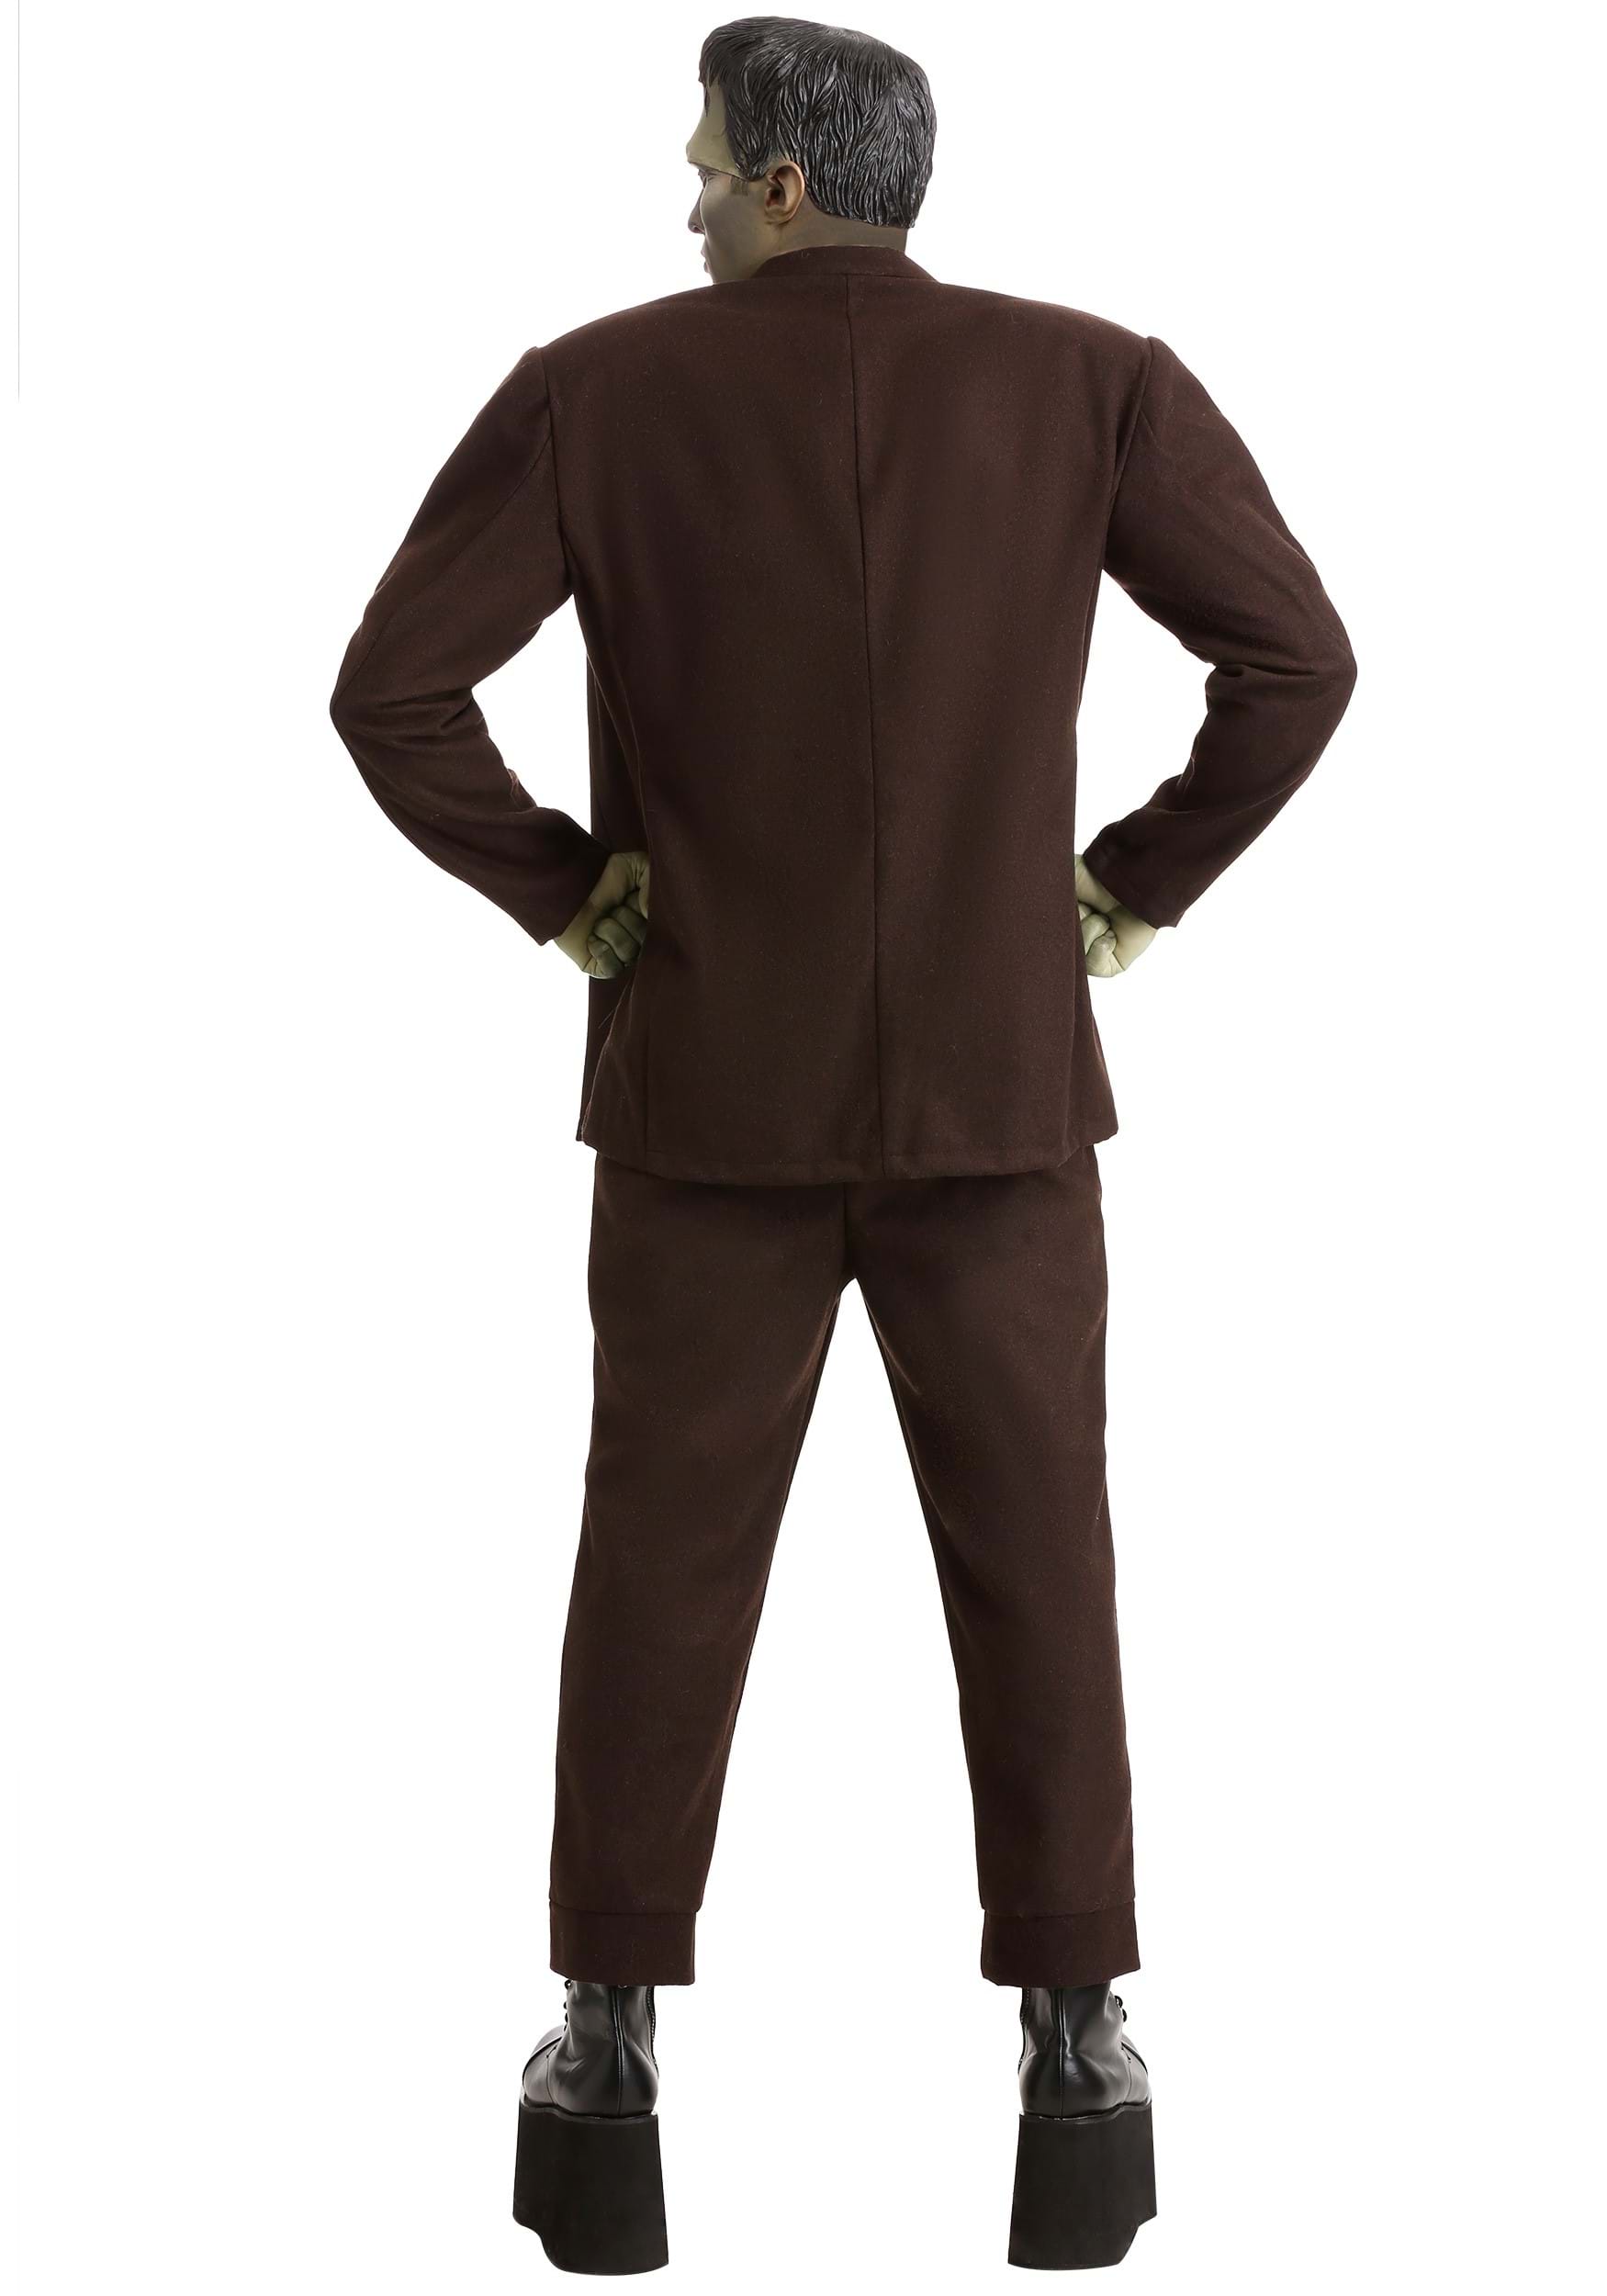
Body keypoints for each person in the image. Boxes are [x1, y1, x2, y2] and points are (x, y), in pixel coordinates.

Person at [329, 15, 1355, 2273]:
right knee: (1039, 1557)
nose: (685, 194)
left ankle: (606, 2045)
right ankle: (1078, 2046)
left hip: (705, 1087)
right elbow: (1295, 659)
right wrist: (1132, 882)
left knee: (654, 1563)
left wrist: (561, 888)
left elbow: (388, 689)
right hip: (999, 1094)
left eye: (703, 160)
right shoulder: (1091, 382)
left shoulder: (594, 391)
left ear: (785, 182)